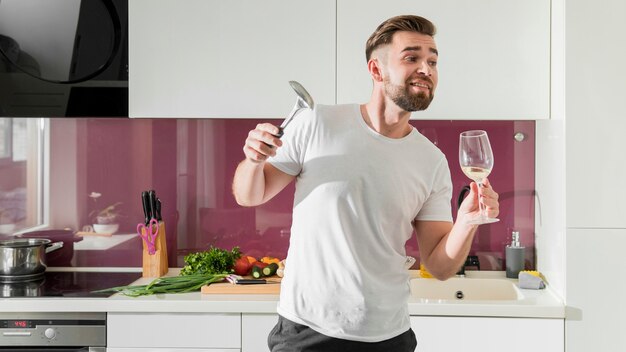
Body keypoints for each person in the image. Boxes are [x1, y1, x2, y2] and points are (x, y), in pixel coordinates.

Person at [232, 15, 499, 352]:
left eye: (432, 60)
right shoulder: (317, 123)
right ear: (376, 70)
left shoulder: (431, 161)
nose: (426, 69)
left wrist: (466, 222)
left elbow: (439, 266)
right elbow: (248, 195)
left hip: (389, 336)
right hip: (307, 333)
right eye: (411, 57)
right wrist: (254, 160)